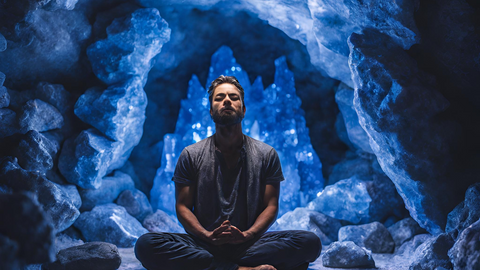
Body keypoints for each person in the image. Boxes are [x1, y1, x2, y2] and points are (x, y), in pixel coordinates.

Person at [135, 75, 321, 270]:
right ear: (211, 111)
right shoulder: (191, 154)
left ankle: (214, 267)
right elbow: (182, 206)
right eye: (219, 97)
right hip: (205, 243)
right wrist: (206, 236)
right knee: (146, 245)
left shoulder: (267, 154)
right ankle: (241, 269)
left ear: (243, 109)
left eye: (233, 97)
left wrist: (248, 235)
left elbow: (271, 206)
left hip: (250, 243)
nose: (226, 101)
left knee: (309, 242)